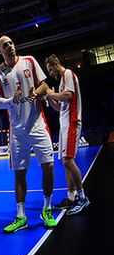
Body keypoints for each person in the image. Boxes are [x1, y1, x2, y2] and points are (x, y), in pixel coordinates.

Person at [0, 36, 56, 233]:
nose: (9, 46)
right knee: (19, 173)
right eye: (5, 45)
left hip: (37, 125)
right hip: (17, 131)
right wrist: (12, 99)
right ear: (0, 51)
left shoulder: (29, 60)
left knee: (49, 165)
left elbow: (45, 85)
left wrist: (36, 92)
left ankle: (47, 209)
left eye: (11, 43)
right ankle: (21, 216)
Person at [44, 54, 89, 215]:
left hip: (72, 122)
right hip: (64, 124)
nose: (51, 74)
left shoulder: (68, 74)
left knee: (68, 161)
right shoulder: (62, 82)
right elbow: (59, 107)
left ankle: (83, 198)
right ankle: (71, 198)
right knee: (65, 162)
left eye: (50, 70)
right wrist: (50, 98)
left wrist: (50, 93)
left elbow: (68, 97)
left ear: (56, 65)